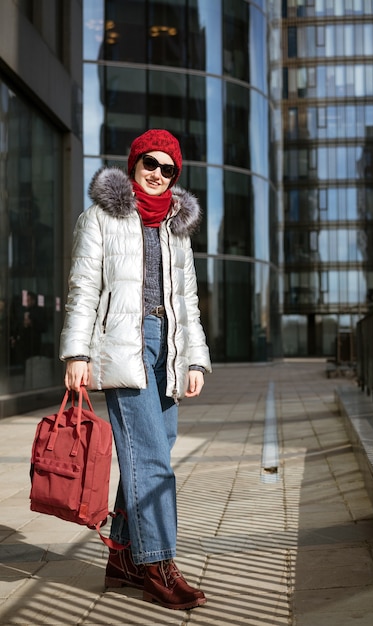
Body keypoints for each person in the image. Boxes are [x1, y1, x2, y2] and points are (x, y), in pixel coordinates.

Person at [59, 129, 211, 610]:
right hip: (123, 348)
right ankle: (159, 565)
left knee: (150, 453)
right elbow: (82, 289)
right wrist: (76, 354)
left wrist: (194, 358)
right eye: (151, 163)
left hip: (168, 346)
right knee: (152, 462)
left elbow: (187, 301)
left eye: (168, 169)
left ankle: (123, 557)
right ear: (134, 163)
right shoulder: (101, 217)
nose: (158, 175)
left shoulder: (176, 227)